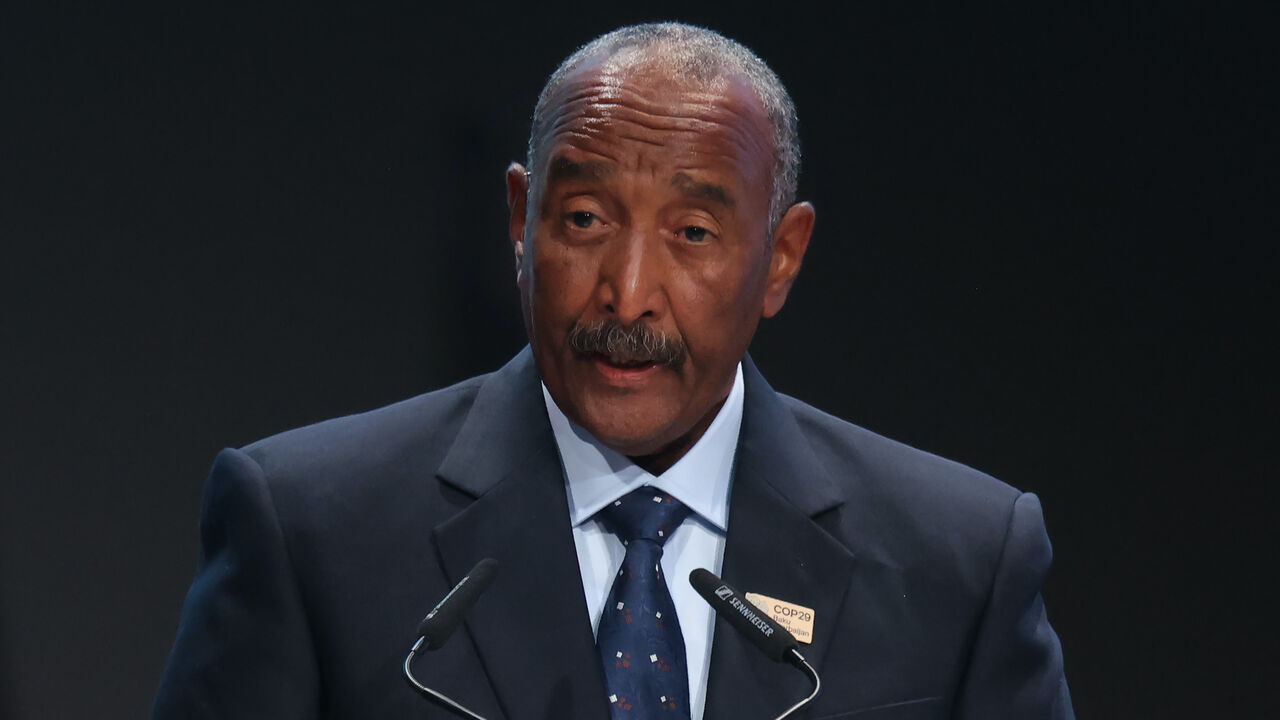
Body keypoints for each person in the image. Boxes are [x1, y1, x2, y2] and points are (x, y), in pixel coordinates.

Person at [153, 22, 1073, 720]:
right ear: (521, 222)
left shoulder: (959, 564)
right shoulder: (310, 530)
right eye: (585, 220)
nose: (628, 296)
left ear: (781, 260)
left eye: (694, 235)